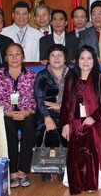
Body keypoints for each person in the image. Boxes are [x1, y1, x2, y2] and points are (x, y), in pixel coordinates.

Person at [60, 46, 101, 194]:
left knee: (91, 141)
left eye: (89, 58)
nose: (85, 61)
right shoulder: (71, 77)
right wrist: (65, 124)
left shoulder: (100, 78)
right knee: (75, 141)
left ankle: (92, 180)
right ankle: (76, 180)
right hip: (74, 121)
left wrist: (94, 118)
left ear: (94, 60)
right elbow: (65, 102)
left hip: (92, 120)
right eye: (82, 58)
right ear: (77, 61)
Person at [0, 43, 36, 188]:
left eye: (17, 53)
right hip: (7, 113)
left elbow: (35, 97)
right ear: (5, 57)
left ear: (23, 56)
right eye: (10, 54)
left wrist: (28, 111)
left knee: (30, 125)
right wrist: (8, 112)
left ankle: (23, 170)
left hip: (26, 112)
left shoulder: (31, 74)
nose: (14, 57)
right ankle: (12, 172)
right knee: (8, 128)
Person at [34, 44, 70, 182]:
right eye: (53, 55)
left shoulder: (72, 74)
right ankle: (47, 167)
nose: (56, 58)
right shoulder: (42, 75)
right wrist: (46, 117)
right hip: (45, 113)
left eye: (60, 55)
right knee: (46, 128)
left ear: (65, 58)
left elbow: (75, 97)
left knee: (66, 128)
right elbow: (39, 98)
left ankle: (63, 168)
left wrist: (60, 106)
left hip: (66, 112)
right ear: (48, 58)